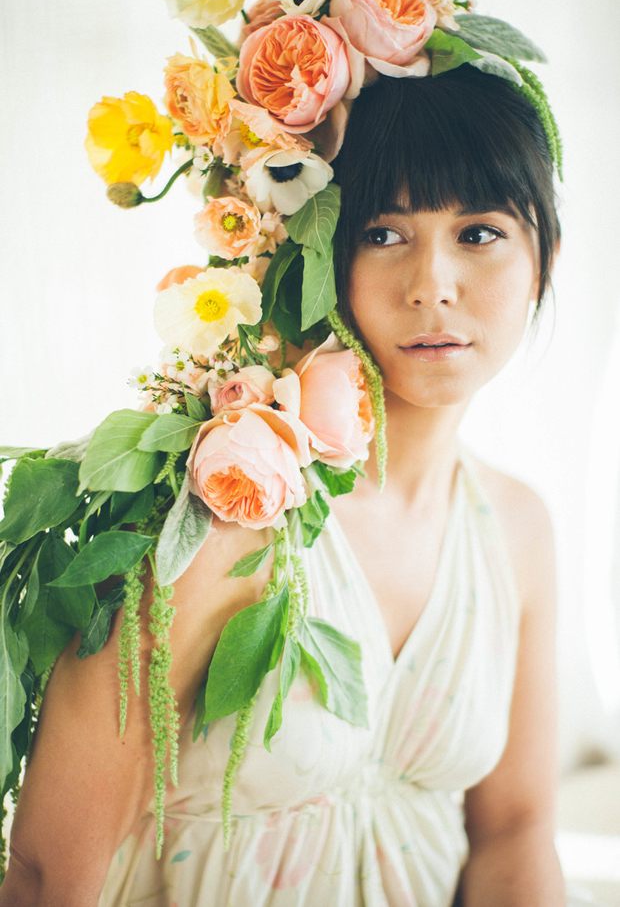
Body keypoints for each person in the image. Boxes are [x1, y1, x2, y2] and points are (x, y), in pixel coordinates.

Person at [0, 60, 566, 905]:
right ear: (319, 255)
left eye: (479, 232)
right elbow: (50, 874)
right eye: (382, 232)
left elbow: (515, 832)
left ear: (543, 257)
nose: (432, 287)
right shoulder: (224, 515)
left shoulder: (516, 527)